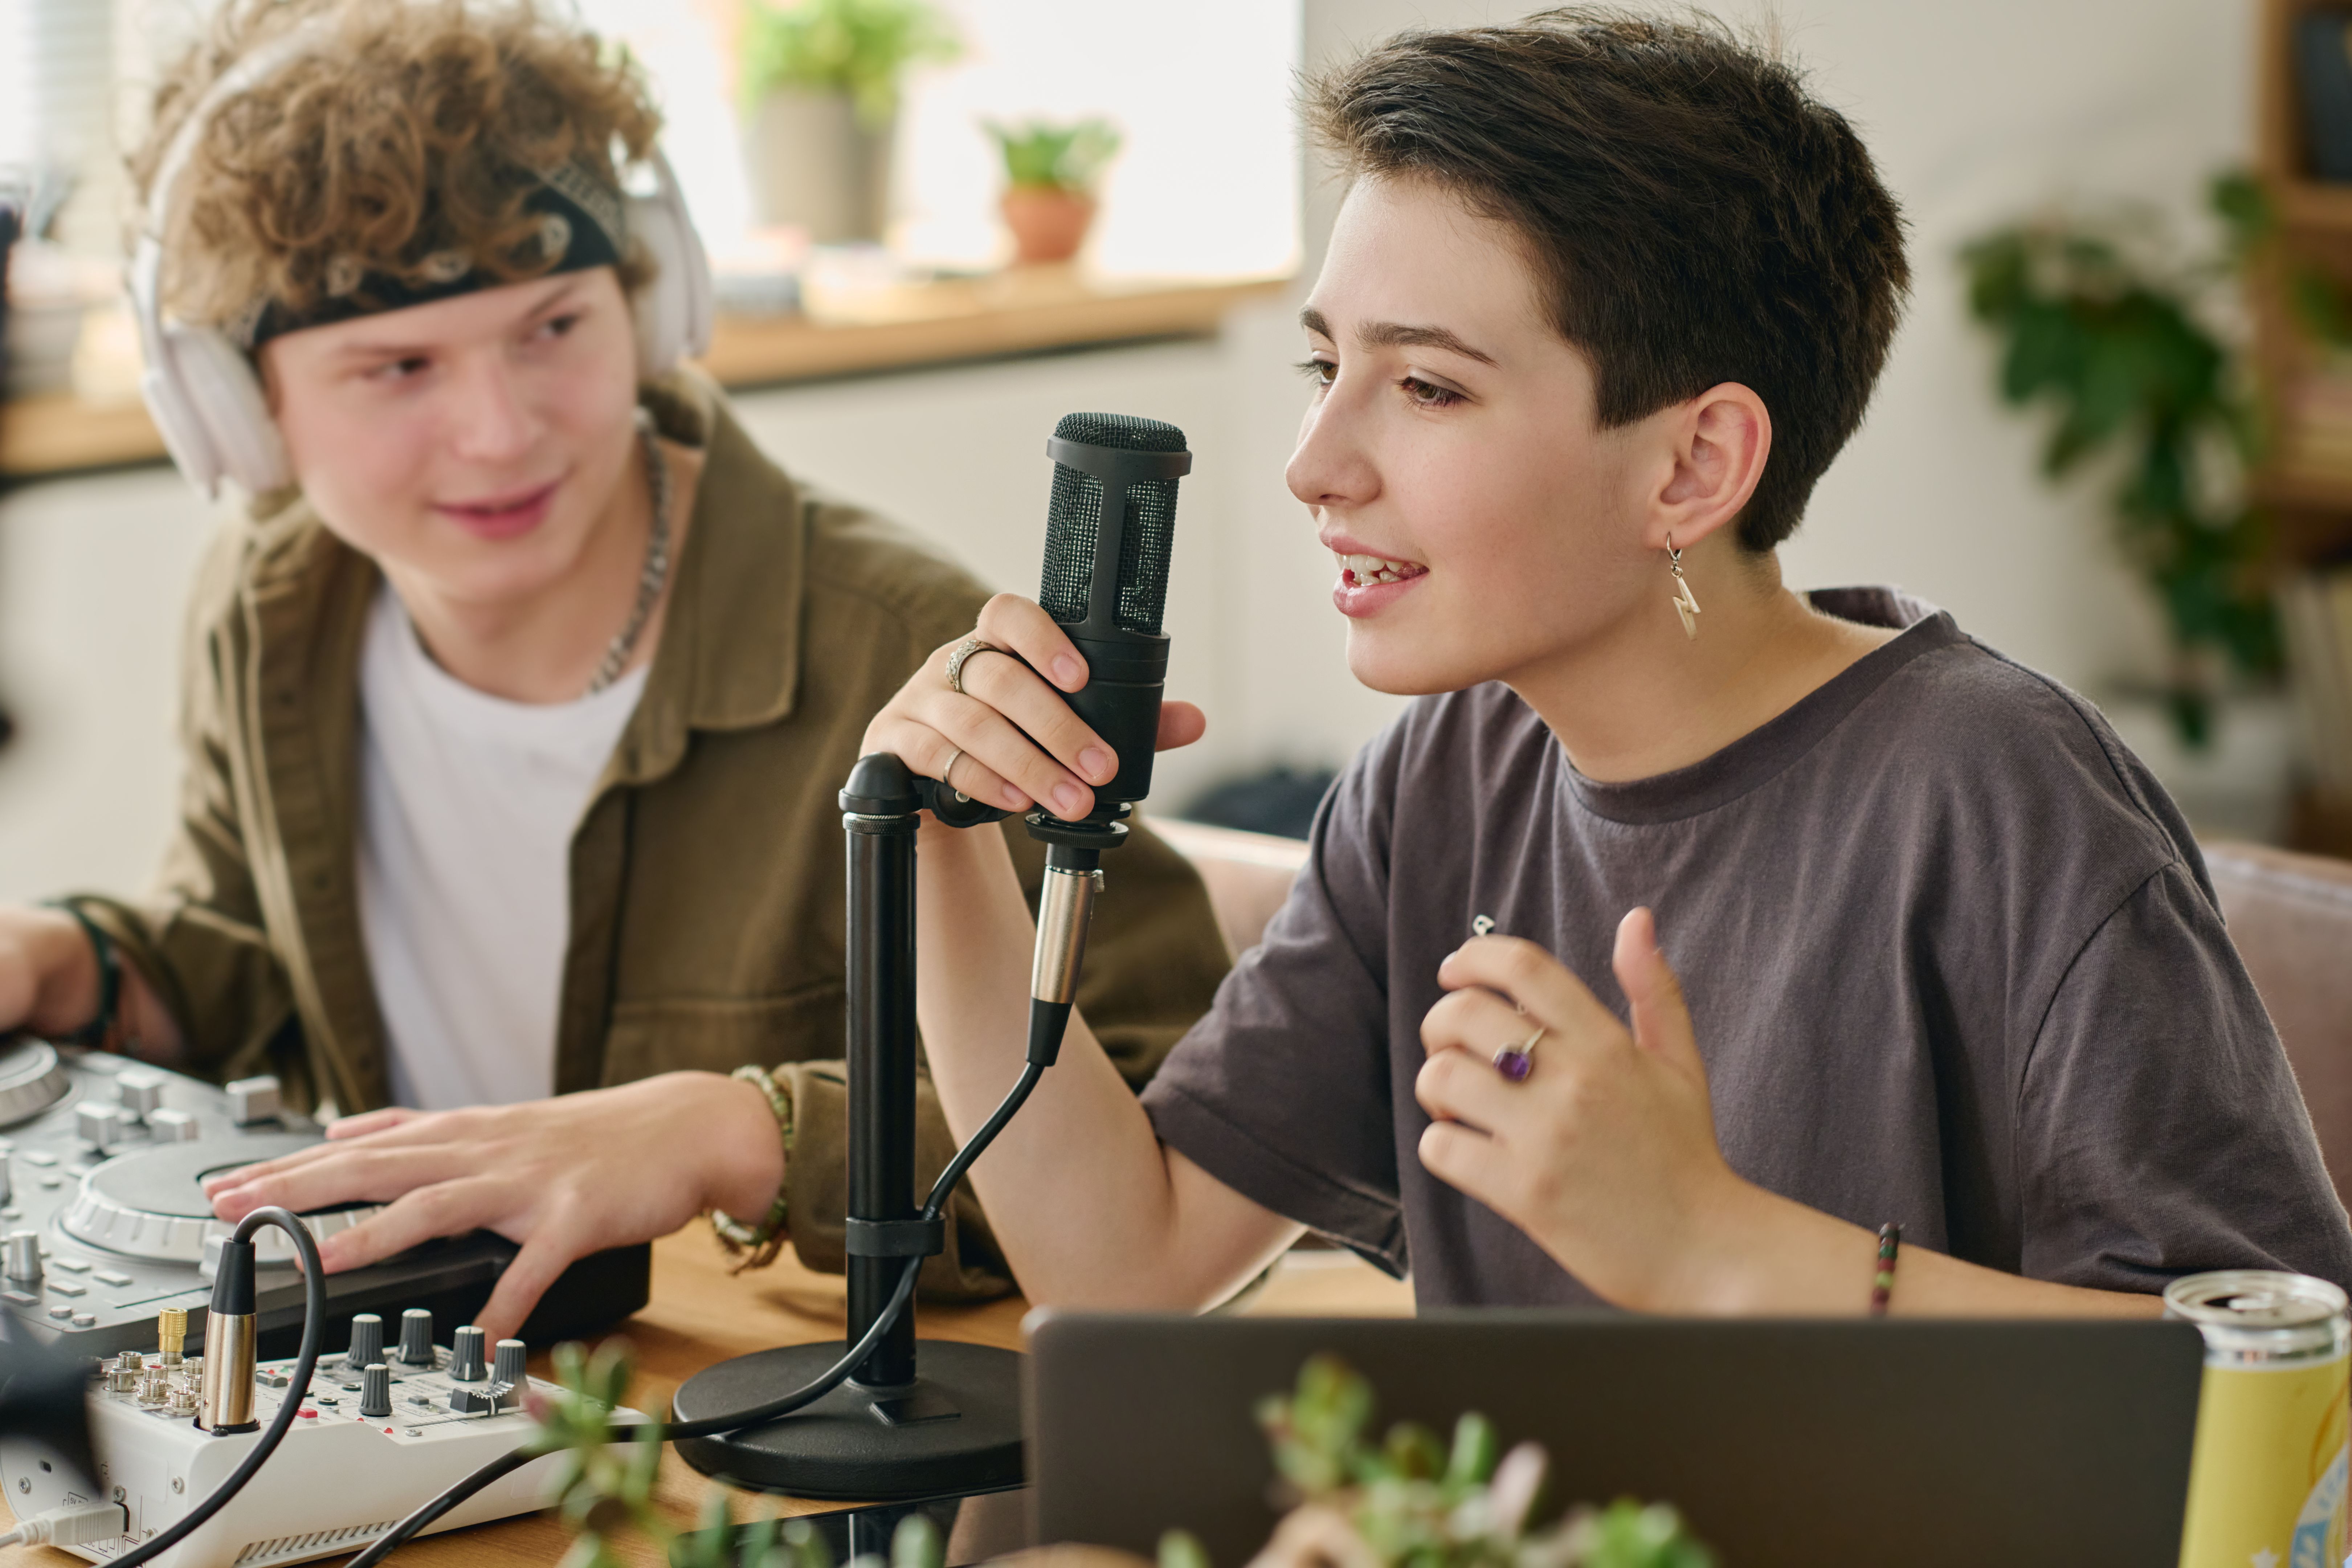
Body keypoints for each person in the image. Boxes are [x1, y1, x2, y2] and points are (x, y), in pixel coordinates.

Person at [216, 6, 2352, 1320]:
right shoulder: (1442, 781)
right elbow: (1123, 1258)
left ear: (1698, 457)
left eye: (1424, 389)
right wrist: (949, 858)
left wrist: (1714, 1247)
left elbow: (2285, 1397)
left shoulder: (1990, 787)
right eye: (1331, 369)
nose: (1317, 464)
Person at [0, 0, 1229, 1340]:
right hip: (444, 1396)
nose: (498, 430)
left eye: (552, 330)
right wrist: (73, 964)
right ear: (234, 407)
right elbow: (264, 968)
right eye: (398, 366)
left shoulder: (903, 650)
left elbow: (1165, 1136)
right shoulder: (277, 606)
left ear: (649, 303)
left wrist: (742, 1133)